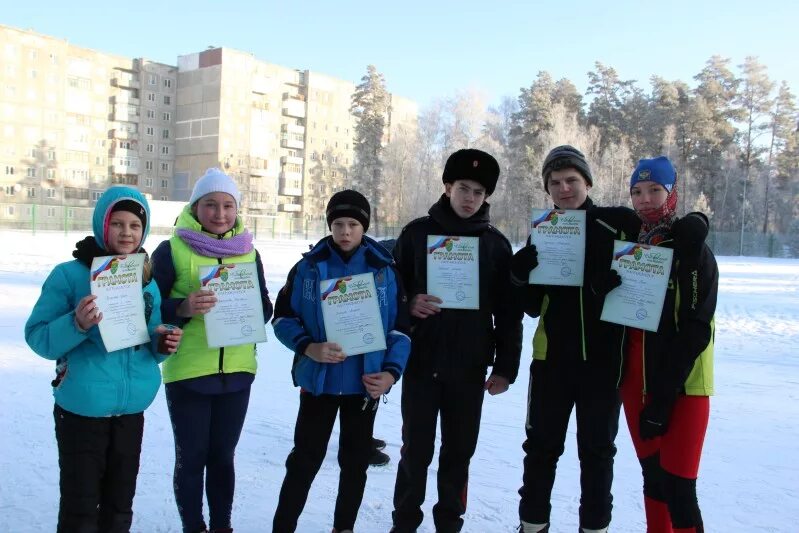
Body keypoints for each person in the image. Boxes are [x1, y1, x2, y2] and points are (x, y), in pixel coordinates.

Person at [25, 185, 183, 533]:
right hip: (83, 409)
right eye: (118, 224)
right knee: (80, 510)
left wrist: (163, 341)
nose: (126, 233)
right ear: (102, 225)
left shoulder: (145, 277)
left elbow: (148, 334)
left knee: (119, 506)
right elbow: (37, 336)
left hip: (130, 409)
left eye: (135, 226)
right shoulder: (70, 275)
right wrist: (76, 324)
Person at [390, 148, 523, 533]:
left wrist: (505, 368)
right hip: (421, 363)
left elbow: (509, 313)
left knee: (458, 454)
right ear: (447, 187)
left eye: (479, 192)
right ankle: (404, 524)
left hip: (468, 369)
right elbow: (391, 291)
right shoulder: (416, 234)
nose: (470, 198)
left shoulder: (495, 245)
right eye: (463, 188)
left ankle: (449, 523)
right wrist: (409, 302)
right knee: (415, 452)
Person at [511, 145, 641, 533]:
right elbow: (533, 306)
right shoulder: (545, 231)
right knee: (540, 451)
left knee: (598, 455)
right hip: (552, 362)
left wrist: (696, 222)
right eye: (555, 183)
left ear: (587, 181)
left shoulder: (617, 223)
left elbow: (663, 234)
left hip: (603, 365)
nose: (564, 188)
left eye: (571, 180)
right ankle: (532, 527)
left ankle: (595, 528)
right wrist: (520, 276)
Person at [271, 189, 411, 533]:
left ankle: (343, 527)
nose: (345, 231)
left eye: (352, 224)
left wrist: (391, 374)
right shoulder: (307, 268)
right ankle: (283, 526)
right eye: (337, 224)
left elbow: (400, 330)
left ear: (364, 226)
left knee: (354, 463)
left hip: (364, 387)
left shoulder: (384, 271)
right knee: (304, 460)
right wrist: (308, 347)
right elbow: (282, 319)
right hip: (319, 383)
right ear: (329, 226)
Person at [151, 168, 273, 533]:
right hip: (188, 373)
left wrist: (252, 307)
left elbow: (265, 307)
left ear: (236, 209)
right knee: (192, 459)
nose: (219, 214)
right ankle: (194, 526)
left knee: (222, 458)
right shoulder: (170, 249)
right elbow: (148, 307)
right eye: (210, 205)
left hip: (236, 374)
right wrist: (182, 309)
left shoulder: (248, 251)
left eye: (227, 206)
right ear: (195, 206)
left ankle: (222, 526)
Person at [618, 157, 717, 533]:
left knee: (679, 487)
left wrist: (663, 397)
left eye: (655, 190)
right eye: (637, 192)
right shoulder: (627, 244)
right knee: (654, 480)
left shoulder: (693, 247)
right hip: (635, 384)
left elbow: (696, 330)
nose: (645, 200)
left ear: (672, 192)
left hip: (684, 387)